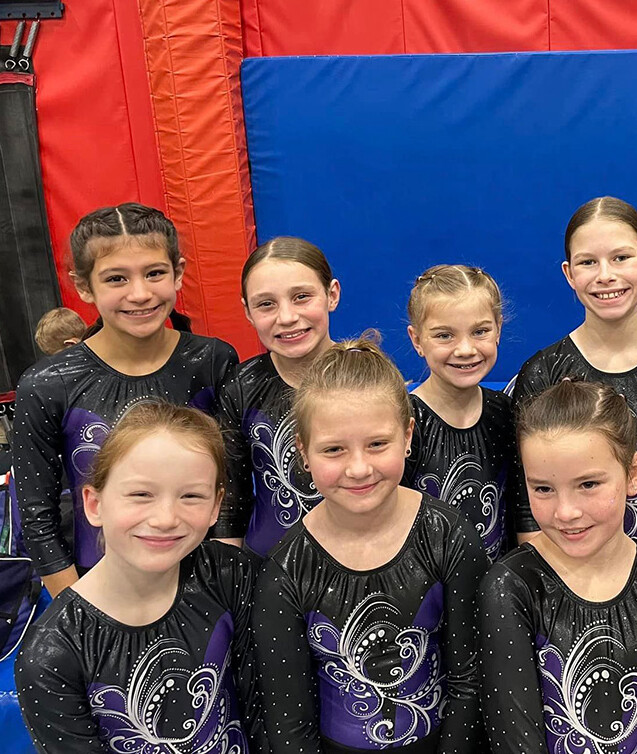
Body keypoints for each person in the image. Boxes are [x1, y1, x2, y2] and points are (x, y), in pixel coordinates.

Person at [252, 334, 487, 753]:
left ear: (408, 434)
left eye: (377, 444)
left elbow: (468, 682)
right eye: (334, 450)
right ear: (303, 452)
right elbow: (289, 724)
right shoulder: (285, 570)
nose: (358, 468)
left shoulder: (448, 535)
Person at [12, 203, 238, 597]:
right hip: (99, 587)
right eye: (116, 278)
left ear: (178, 273)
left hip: (206, 585)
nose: (140, 293)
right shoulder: (48, 384)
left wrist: (225, 590)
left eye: (154, 273)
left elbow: (231, 488)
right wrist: (81, 612)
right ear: (84, 286)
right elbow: (36, 517)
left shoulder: (214, 361)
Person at [15, 402, 266, 752]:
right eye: (141, 495)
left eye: (191, 496)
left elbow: (263, 710)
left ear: (215, 506)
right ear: (94, 504)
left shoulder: (231, 575)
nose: (165, 518)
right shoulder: (53, 653)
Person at [479, 379, 637, 753]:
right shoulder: (509, 587)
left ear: (634, 472)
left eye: (588, 484)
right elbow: (515, 741)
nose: (566, 512)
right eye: (544, 489)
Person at [511, 196, 637, 581]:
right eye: (588, 262)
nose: (605, 275)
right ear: (569, 273)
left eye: (621, 258)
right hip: (561, 577)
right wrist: (557, 593)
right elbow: (527, 509)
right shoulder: (542, 373)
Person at [212, 237, 340, 555]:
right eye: (266, 304)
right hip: (270, 568)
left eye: (301, 297)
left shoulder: (368, 376)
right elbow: (231, 499)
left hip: (361, 562)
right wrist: (227, 578)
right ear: (248, 312)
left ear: (332, 295)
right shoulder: (241, 387)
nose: (286, 317)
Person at [403, 264, 514, 561]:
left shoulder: (508, 412)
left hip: (498, 591)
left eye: (480, 332)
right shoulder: (402, 421)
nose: (465, 349)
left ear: (498, 329)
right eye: (444, 336)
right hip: (425, 596)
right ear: (417, 340)